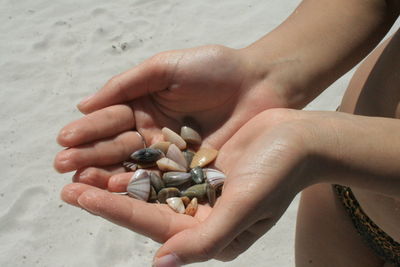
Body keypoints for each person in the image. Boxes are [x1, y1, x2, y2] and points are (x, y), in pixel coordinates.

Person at [54, 0, 400, 266]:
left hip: (332, 158)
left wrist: (321, 144)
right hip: (342, 196)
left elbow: (317, 143)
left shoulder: (315, 146)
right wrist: (265, 74)